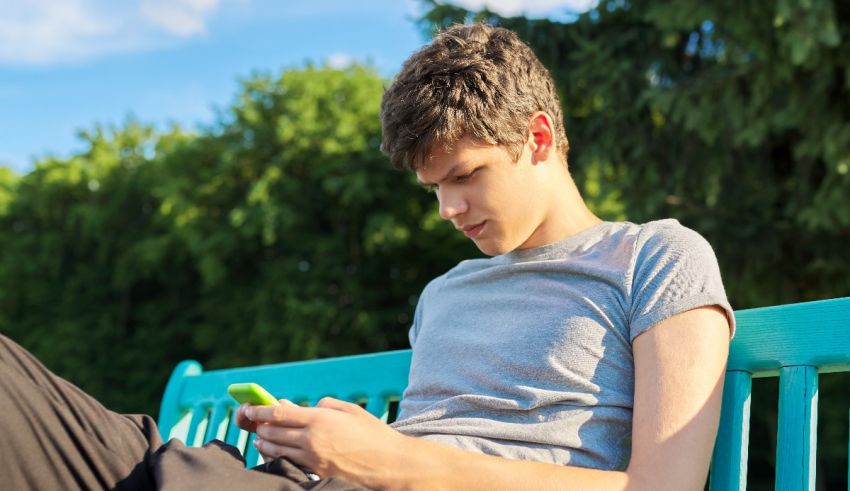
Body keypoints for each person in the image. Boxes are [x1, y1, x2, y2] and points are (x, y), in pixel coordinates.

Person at [0, 23, 733, 491]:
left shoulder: (655, 257)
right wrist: (341, 443)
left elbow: (661, 488)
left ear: (538, 138)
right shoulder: (445, 291)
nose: (447, 210)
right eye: (433, 188)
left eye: (465, 176)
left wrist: (390, 459)